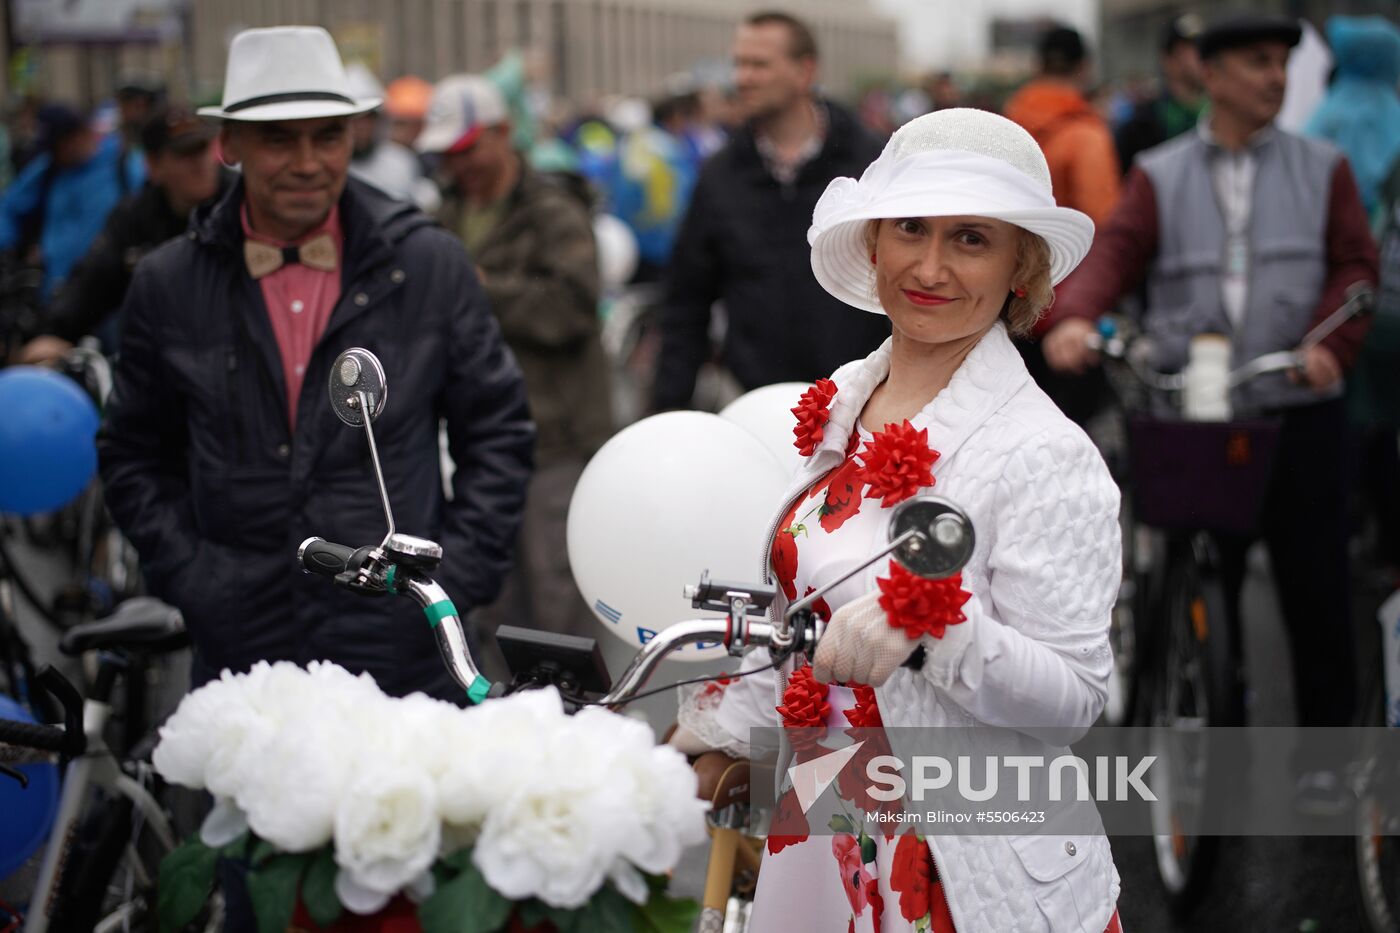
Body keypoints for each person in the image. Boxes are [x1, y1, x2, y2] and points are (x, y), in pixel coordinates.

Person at [672, 107, 1124, 932]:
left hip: (966, 865)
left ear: (1022, 267)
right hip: (823, 822)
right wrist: (706, 736)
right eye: (911, 228)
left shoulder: (1046, 455)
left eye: (972, 239)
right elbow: (797, 618)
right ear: (874, 242)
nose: (931, 266)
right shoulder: (844, 401)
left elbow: (1074, 699)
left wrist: (932, 631)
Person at [98, 27, 533, 703]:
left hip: (402, 653)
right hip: (247, 655)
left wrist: (452, 580)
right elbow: (132, 455)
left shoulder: (427, 264)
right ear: (229, 145)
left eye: (327, 136)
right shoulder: (168, 283)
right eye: (279, 139)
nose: (307, 162)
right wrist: (195, 578)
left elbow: (499, 433)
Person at [1043, 14, 1377, 805]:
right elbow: (1111, 256)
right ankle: (1206, 743)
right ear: (1211, 72)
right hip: (1193, 412)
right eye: (1256, 63)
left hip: (1297, 405)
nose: (1274, 78)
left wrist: (1334, 344)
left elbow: (1356, 267)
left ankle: (1326, 761)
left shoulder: (1322, 166)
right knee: (1199, 581)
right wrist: (1075, 320)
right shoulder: (1158, 171)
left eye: (1279, 63)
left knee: (1316, 587)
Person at [417, 73, 608, 639]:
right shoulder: (443, 215)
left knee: (557, 596)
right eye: (447, 154)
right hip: (479, 438)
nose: (459, 164)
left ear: (503, 133)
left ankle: (579, 719)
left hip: (558, 437)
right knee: (492, 596)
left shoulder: (553, 210)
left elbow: (573, 307)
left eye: (468, 147)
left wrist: (478, 286)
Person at [651, 10, 889, 411]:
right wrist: (665, 414)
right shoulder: (720, 176)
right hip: (758, 408)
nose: (742, 78)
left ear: (804, 71)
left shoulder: (873, 162)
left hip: (862, 405)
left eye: (758, 64)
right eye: (739, 64)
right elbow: (686, 304)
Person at [17, 106, 229, 364]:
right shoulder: (136, 218)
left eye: (203, 148)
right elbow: (95, 278)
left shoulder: (242, 203)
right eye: (184, 154)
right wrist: (51, 333)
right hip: (166, 361)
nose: (200, 163)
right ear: (154, 165)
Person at [0, 104, 145, 299]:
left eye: (58, 147)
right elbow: (10, 206)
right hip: (57, 295)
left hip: (114, 297)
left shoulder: (126, 166)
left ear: (78, 135)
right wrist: (7, 247)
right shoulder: (50, 169)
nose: (54, 155)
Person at [1004, 25, 1121, 228]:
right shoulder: (1086, 136)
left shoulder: (1003, 124)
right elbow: (1102, 218)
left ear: (1038, 65)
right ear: (1084, 67)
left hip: (1010, 253)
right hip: (1067, 256)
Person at [1114, 14, 1207, 173]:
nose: (1202, 57)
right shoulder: (1142, 123)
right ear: (1167, 59)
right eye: (1190, 50)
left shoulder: (1221, 113)